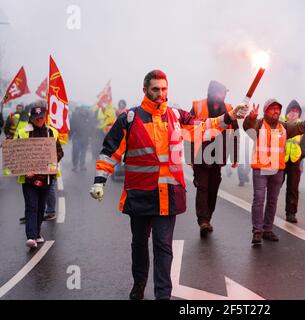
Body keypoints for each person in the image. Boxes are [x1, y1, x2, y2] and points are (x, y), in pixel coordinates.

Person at [89, 70, 246, 300]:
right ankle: (139, 285)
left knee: (164, 247)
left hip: (168, 195)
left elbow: (204, 127)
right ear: (145, 90)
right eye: (155, 89)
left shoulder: (176, 116)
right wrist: (99, 180)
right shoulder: (129, 119)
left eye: (164, 89)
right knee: (139, 245)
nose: (161, 94)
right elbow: (109, 151)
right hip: (140, 195)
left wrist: (228, 117)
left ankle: (163, 295)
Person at [243, 99, 305, 245]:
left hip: (277, 169)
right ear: (266, 111)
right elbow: (248, 126)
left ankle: (267, 229)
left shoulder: (284, 127)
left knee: (272, 200)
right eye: (272, 109)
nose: (276, 111)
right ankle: (257, 231)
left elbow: (302, 127)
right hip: (260, 168)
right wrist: (251, 117)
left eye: (278, 109)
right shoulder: (259, 124)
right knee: (259, 200)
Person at [189, 80, 239, 238]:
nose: (221, 96)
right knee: (202, 187)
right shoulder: (198, 107)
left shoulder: (230, 109)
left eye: (223, 93)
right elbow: (187, 130)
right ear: (211, 93)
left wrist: (235, 156)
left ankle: (207, 218)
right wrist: (189, 157)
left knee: (213, 188)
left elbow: (235, 133)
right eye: (218, 93)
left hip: (218, 156)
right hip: (200, 155)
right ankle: (203, 220)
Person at [15, 104, 64, 248]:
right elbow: (16, 154)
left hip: (47, 177)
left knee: (41, 206)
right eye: (36, 118)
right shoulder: (23, 132)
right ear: (32, 118)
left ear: (45, 117)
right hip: (29, 178)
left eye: (41, 118)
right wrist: (25, 169)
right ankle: (31, 236)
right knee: (31, 206)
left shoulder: (52, 132)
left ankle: (37, 233)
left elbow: (60, 152)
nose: (39, 121)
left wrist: (51, 161)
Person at [282, 100, 305, 223]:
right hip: (280, 160)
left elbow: (304, 144)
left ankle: (291, 213)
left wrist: (301, 157)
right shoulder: (280, 123)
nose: (294, 113)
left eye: (297, 111)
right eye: (292, 111)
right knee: (274, 187)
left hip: (294, 161)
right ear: (287, 111)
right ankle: (269, 209)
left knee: (293, 188)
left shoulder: (301, 126)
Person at [71, 106, 94, 172]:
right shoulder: (75, 116)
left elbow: (91, 127)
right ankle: (75, 166)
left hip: (85, 138)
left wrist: (91, 136)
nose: (84, 112)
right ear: (80, 110)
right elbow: (71, 125)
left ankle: (82, 165)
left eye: (85, 110)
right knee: (75, 152)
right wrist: (70, 135)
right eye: (83, 110)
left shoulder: (89, 117)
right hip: (76, 137)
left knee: (83, 152)